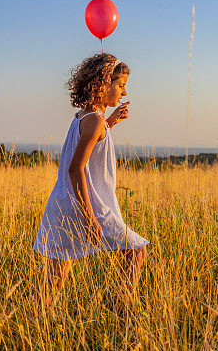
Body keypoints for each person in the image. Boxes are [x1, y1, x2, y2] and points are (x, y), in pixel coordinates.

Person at [33, 53, 148, 310]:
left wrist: (110, 123)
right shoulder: (94, 121)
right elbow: (76, 170)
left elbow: (92, 142)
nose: (124, 90)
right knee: (136, 251)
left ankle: (35, 315)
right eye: (120, 84)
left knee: (56, 275)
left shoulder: (87, 117)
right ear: (102, 84)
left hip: (66, 201)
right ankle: (121, 309)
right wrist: (89, 217)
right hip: (85, 205)